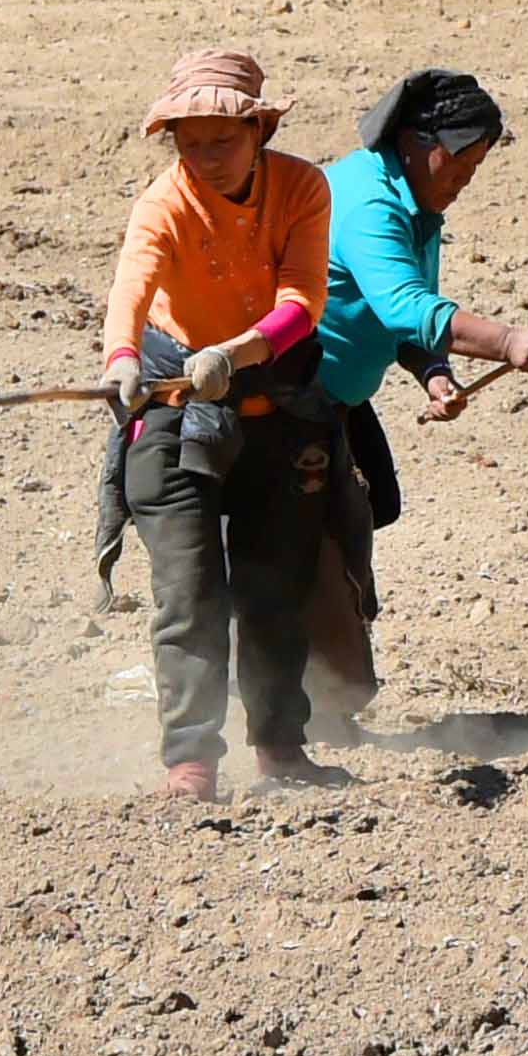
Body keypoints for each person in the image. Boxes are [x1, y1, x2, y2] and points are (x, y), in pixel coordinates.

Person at [100, 48, 344, 802]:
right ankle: (191, 763)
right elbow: (131, 289)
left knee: (275, 591)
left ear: (259, 132)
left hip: (276, 405)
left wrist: (235, 355)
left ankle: (280, 747)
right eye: (187, 142)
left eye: (220, 142)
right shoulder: (161, 205)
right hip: (175, 410)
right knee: (189, 592)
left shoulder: (303, 188)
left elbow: (303, 301)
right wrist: (123, 359)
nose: (202, 159)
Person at [306, 67, 528, 739]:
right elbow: (406, 305)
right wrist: (506, 341)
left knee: (366, 514)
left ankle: (325, 707)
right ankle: (306, 711)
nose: (465, 180)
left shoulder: (419, 208)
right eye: (460, 163)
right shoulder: (367, 202)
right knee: (320, 545)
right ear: (420, 144)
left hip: (336, 401)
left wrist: (435, 373)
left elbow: (407, 326)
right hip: (288, 402)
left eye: (476, 168)